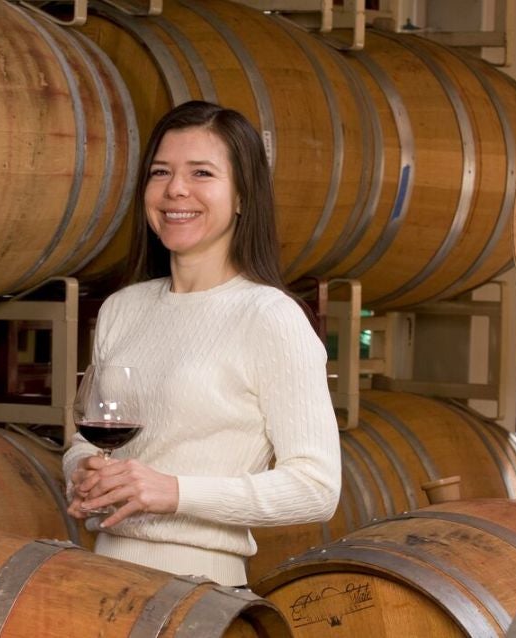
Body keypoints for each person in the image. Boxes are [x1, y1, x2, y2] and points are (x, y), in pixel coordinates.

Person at [62, 100, 341, 587]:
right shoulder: (123, 309)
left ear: (242, 196)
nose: (175, 189)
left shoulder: (270, 316)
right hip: (102, 578)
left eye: (202, 173)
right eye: (161, 172)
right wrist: (81, 470)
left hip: (199, 590)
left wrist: (174, 492)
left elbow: (316, 489)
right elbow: (87, 440)